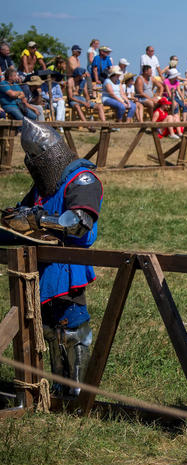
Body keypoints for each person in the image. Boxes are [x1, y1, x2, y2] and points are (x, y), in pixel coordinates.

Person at [2, 118, 103, 397]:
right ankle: (58, 388)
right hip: (45, 265)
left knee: (72, 329)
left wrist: (38, 219)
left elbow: (79, 222)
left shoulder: (82, 179)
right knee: (48, 330)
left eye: (36, 157)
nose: (33, 163)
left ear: (50, 155)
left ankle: (78, 392)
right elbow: (25, 214)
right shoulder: (45, 185)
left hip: (69, 264)